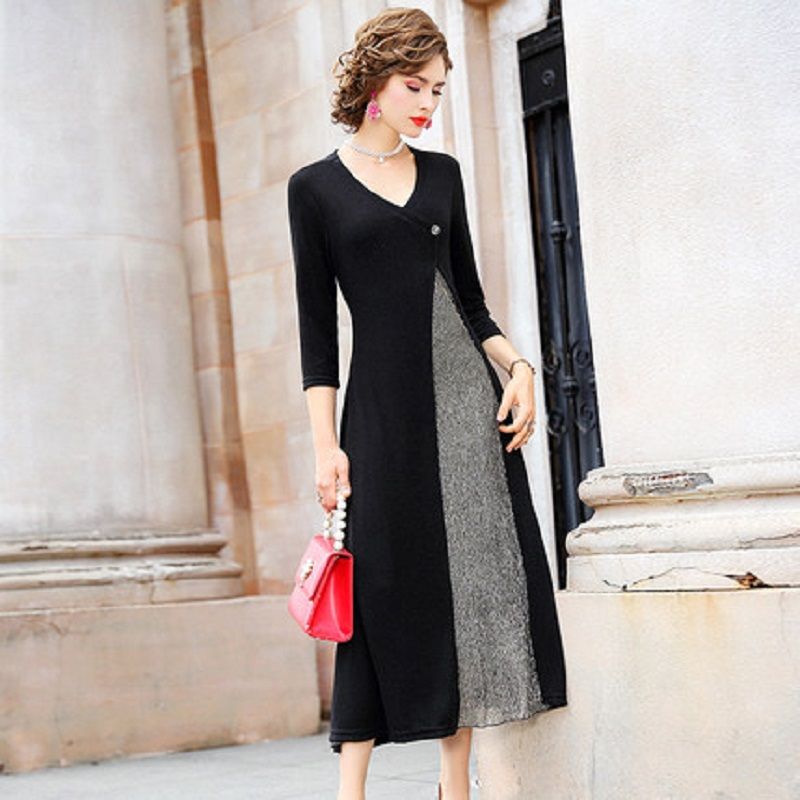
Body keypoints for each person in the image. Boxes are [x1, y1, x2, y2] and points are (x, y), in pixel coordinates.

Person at [286, 7, 568, 799]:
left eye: (438, 90)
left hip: (466, 409)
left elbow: (471, 303)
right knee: (376, 588)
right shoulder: (314, 189)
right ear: (376, 82)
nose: (428, 103)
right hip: (379, 417)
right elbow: (317, 336)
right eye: (416, 86)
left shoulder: (442, 175)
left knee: (470, 581)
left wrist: (520, 368)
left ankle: (456, 785)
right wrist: (326, 447)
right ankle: (351, 789)